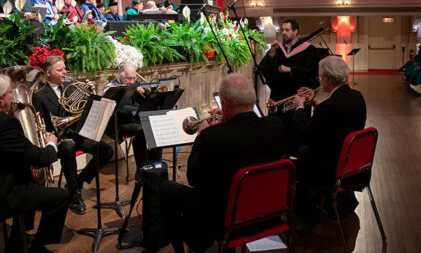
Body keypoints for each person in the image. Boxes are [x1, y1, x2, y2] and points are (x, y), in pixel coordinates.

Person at [160, 74, 286, 253]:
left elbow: (193, 178)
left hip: (226, 220)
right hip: (268, 214)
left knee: (167, 188)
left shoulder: (212, 137)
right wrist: (226, 121)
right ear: (252, 99)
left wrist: (200, 137)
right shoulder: (276, 125)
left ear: (224, 104)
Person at [0, 73, 68, 253]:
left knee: (26, 179)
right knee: (60, 197)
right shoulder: (4, 123)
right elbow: (40, 158)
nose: (12, 97)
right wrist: (51, 144)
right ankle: (37, 247)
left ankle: (18, 239)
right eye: (9, 93)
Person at [32, 56, 114, 215]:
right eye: (60, 70)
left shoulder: (71, 86)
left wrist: (90, 93)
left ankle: (78, 182)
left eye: (64, 68)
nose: (65, 72)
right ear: (48, 73)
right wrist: (49, 135)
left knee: (106, 151)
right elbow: (40, 123)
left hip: (77, 133)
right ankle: (74, 195)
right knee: (68, 147)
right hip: (58, 138)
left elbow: (84, 109)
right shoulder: (40, 95)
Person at [291, 56, 366, 228]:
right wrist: (314, 104)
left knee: (296, 153)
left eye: (320, 76)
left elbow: (304, 133)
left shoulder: (329, 107)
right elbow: (334, 121)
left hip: (329, 164)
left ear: (328, 78)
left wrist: (300, 106)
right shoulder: (356, 96)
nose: (319, 79)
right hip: (352, 160)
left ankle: (305, 206)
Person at [258, 19, 319, 149]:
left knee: (297, 134)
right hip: (279, 98)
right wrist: (272, 53)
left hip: (297, 98)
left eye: (287, 30)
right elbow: (264, 69)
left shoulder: (308, 49)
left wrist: (291, 70)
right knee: (278, 133)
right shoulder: (279, 49)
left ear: (295, 32)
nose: (284, 33)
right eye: (283, 30)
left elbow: (312, 74)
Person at [102, 63, 163, 168]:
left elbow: (146, 99)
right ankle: (143, 169)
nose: (131, 82)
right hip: (120, 123)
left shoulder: (134, 84)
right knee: (141, 130)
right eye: (128, 78)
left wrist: (145, 91)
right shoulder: (112, 88)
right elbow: (118, 109)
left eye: (133, 79)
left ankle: (155, 164)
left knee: (156, 125)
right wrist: (137, 110)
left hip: (135, 119)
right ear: (120, 77)